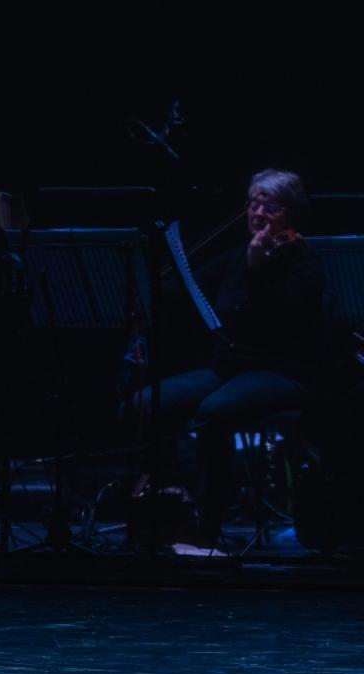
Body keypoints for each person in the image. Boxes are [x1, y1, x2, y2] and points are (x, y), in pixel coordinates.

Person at [132, 168, 325, 543]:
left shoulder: (303, 260)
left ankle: (208, 525)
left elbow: (281, 317)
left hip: (281, 371)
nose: (257, 211)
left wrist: (258, 271)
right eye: (253, 201)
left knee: (213, 413)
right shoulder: (237, 256)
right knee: (145, 403)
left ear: (290, 211)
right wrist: (149, 279)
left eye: (268, 203)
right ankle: (169, 503)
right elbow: (184, 289)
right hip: (229, 368)